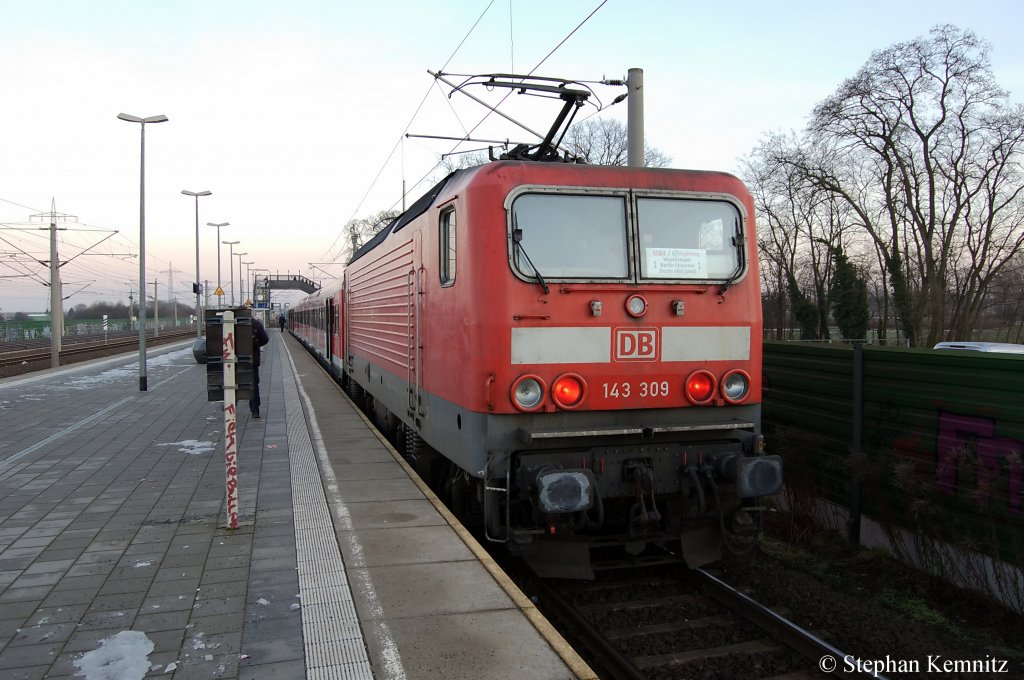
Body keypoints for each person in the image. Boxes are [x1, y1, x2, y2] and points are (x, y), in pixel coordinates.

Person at [250, 316, 270, 418]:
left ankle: (230, 404)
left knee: (234, 383)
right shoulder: (256, 323)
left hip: (235, 361)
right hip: (252, 360)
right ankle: (255, 410)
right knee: (253, 384)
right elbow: (265, 339)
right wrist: (256, 345)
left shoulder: (231, 323)